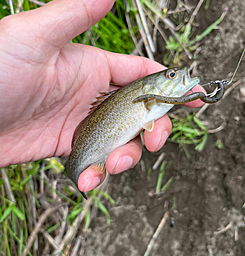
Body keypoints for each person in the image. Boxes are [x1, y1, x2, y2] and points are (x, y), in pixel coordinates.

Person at [0, 0, 204, 193]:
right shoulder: (149, 98)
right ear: (151, 87)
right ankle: (75, 168)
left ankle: (76, 169)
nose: (176, 75)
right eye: (171, 75)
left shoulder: (153, 99)